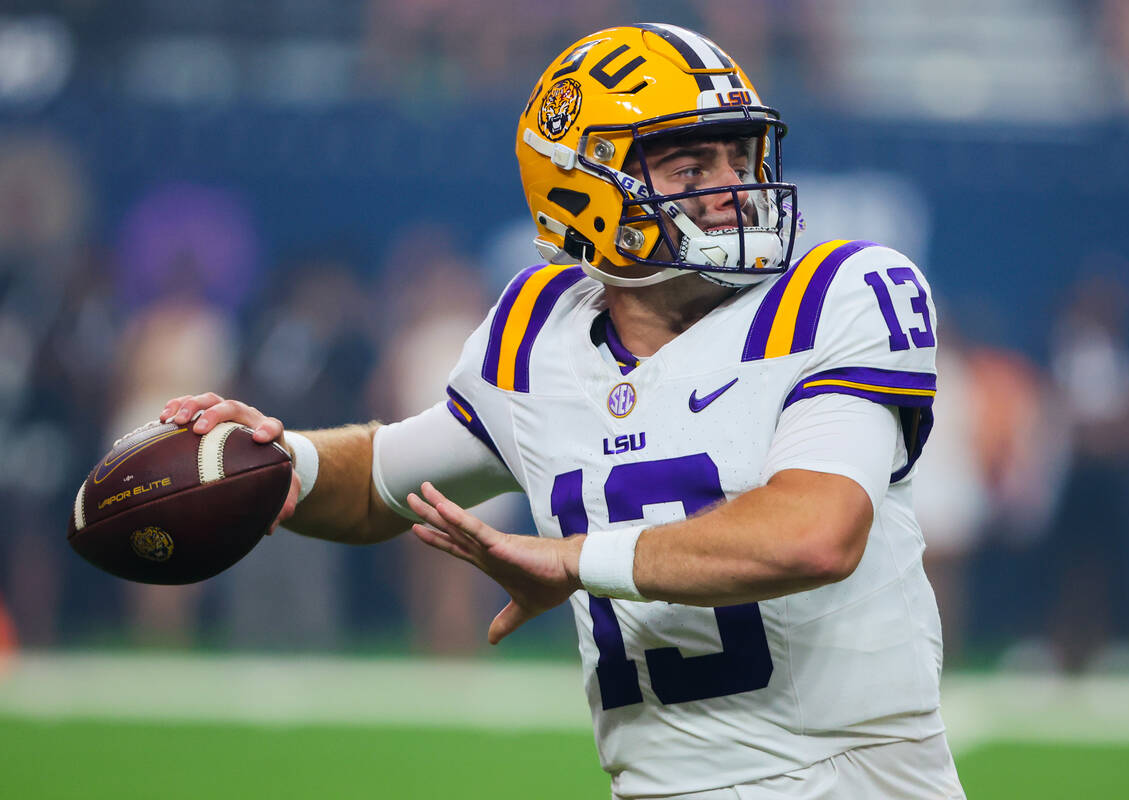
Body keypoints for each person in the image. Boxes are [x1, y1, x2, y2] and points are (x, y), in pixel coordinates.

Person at [160, 24, 963, 799]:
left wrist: (576, 560)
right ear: (582, 189)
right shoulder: (541, 333)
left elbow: (816, 533)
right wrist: (275, 460)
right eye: (690, 165)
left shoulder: (838, 296)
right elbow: (381, 480)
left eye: (739, 156)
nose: (732, 190)